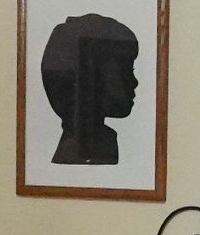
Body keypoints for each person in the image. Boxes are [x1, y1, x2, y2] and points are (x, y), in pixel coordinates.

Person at [40, 10, 141, 164]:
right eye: (125, 71)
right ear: (92, 78)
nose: (134, 82)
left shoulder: (101, 142)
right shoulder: (85, 147)